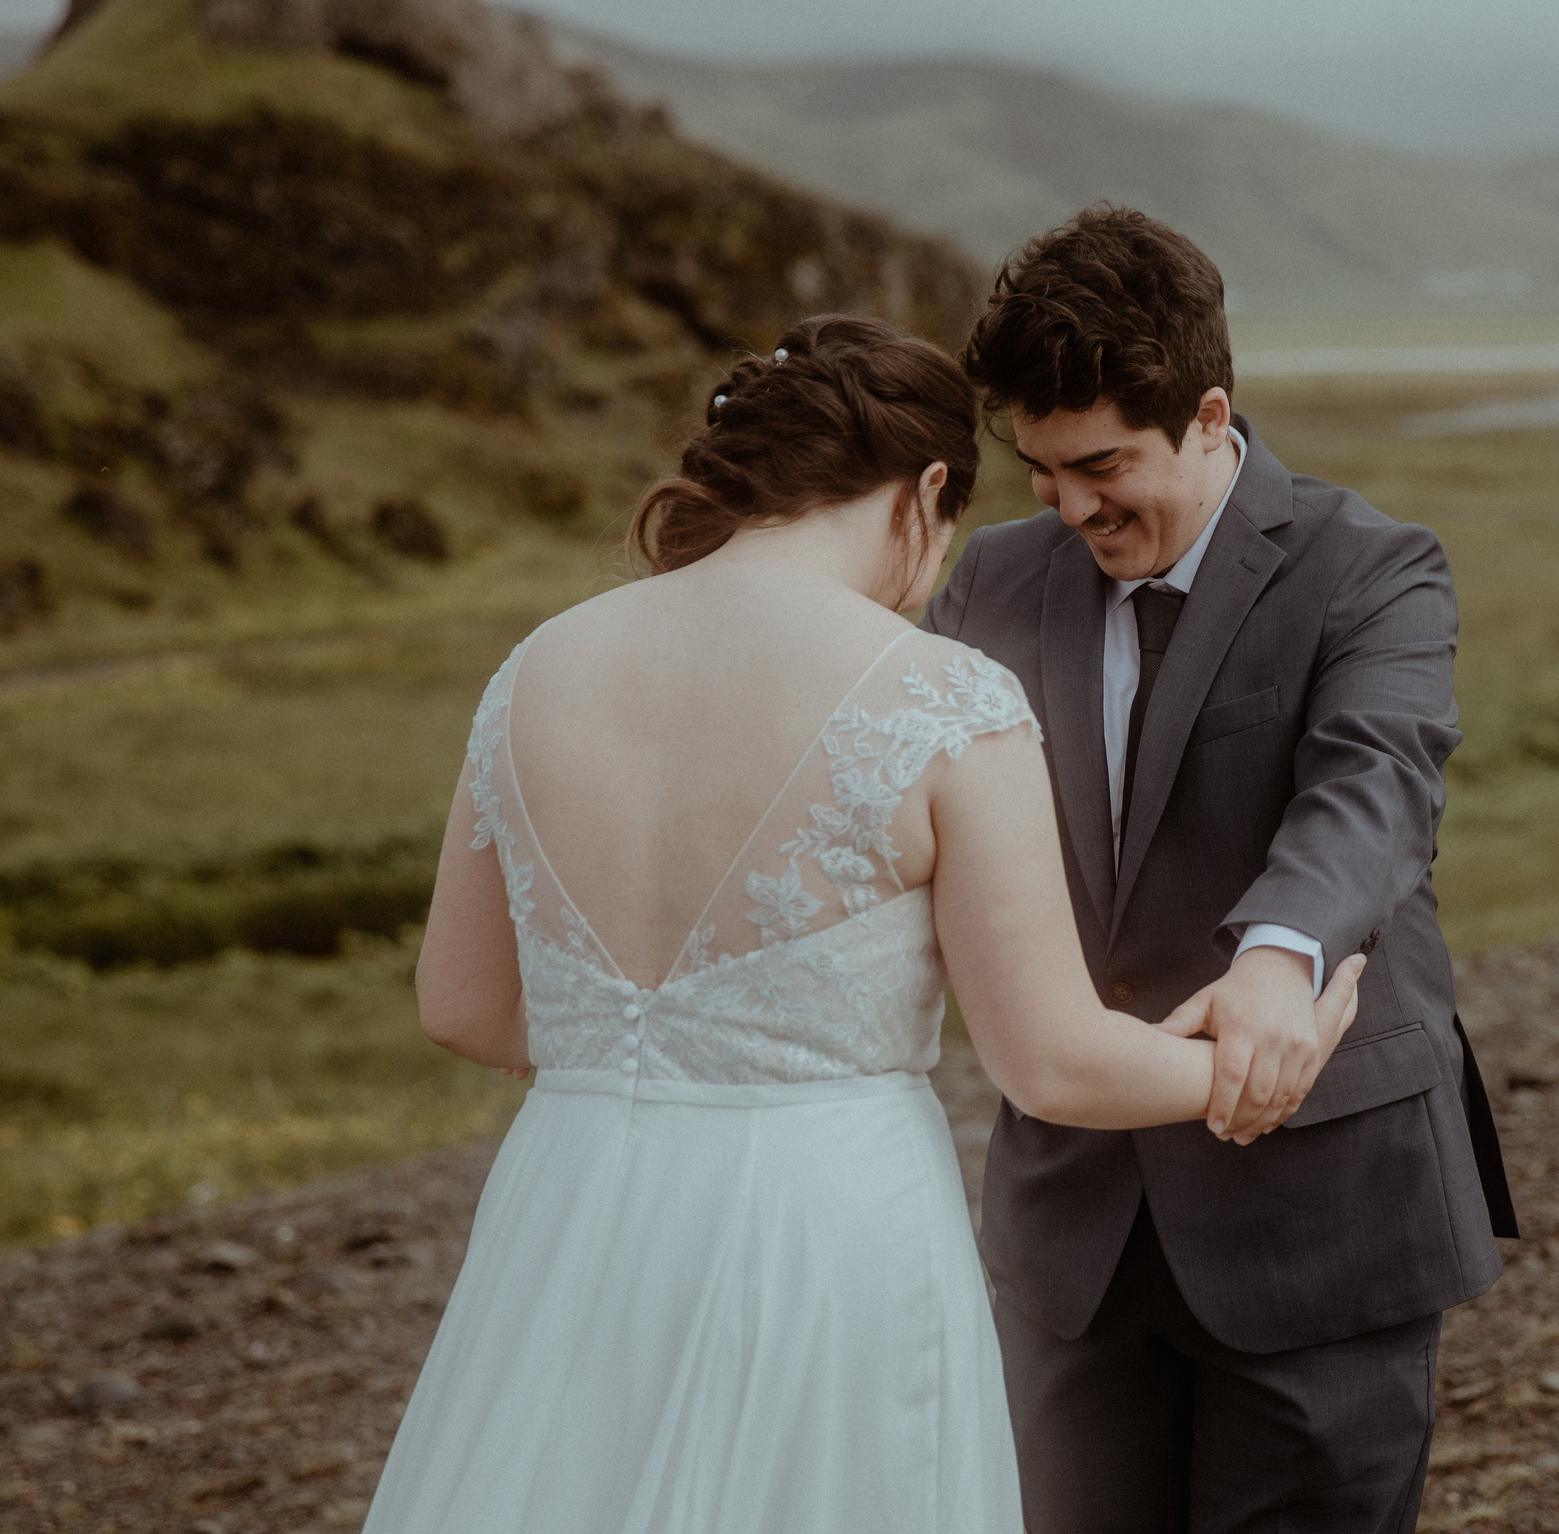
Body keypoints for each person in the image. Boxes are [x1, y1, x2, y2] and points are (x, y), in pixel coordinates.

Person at [361, 313, 1366, 1534]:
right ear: (927, 491)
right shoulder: (937, 698)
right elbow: (1049, 1060)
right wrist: (1255, 1067)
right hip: (818, 1227)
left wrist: (648, 1059)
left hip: (569, 1207)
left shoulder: (537, 666)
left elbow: (462, 1007)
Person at [922, 206, 1520, 1534]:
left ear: (1206, 413)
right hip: (1069, 1232)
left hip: (1323, 1215)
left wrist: (1274, 956)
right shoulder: (993, 584)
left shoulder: (1373, 566)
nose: (1070, 505)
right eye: (1037, 467)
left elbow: (1376, 784)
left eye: (1101, 463)